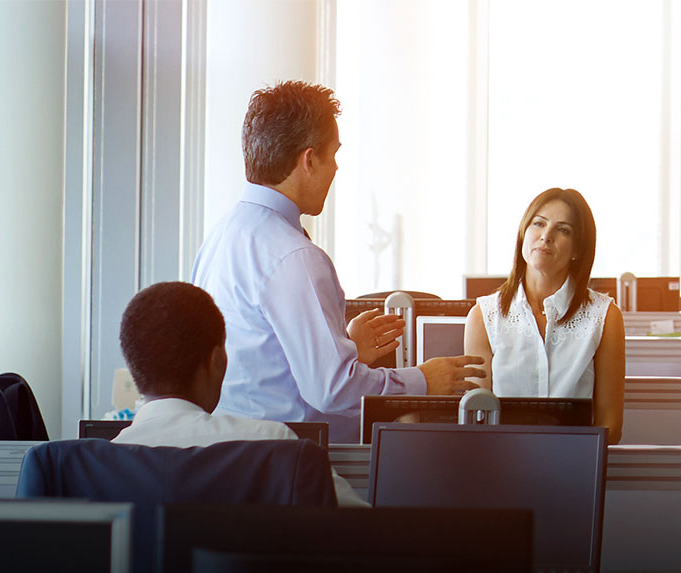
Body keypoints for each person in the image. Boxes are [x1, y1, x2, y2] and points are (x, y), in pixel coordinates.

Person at [191, 81, 484, 443]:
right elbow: (331, 391)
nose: (336, 169)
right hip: (291, 464)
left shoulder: (220, 237)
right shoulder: (296, 256)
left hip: (235, 452)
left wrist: (343, 347)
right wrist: (424, 380)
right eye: (333, 155)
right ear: (309, 160)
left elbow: (261, 361)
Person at [112, 281, 367, 507]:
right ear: (215, 361)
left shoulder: (91, 467)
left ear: (134, 368)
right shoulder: (275, 446)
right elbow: (363, 528)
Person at [463, 188, 625, 444]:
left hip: (575, 466)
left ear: (577, 249)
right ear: (523, 234)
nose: (546, 236)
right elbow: (478, 420)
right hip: (502, 465)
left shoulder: (604, 316)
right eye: (538, 223)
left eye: (563, 230)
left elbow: (610, 425)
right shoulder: (483, 316)